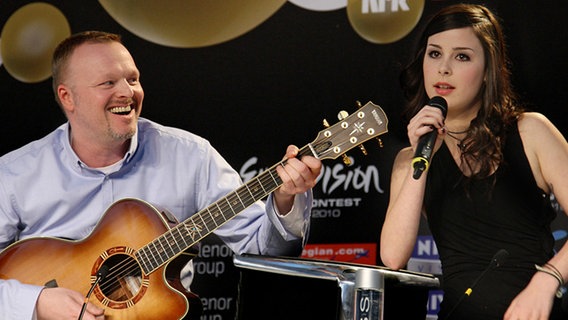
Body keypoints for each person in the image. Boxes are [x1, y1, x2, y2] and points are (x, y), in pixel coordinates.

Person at [0, 31, 322, 320]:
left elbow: (264, 250)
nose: (127, 93)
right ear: (68, 97)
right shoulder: (15, 173)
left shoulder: (189, 155)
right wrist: (37, 302)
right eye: (108, 83)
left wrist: (284, 200)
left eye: (133, 79)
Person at [380, 3, 568, 320]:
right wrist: (419, 157)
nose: (444, 69)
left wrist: (547, 280)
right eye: (435, 53)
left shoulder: (530, 131)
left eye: (462, 56)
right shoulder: (409, 159)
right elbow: (393, 257)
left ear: (487, 71)